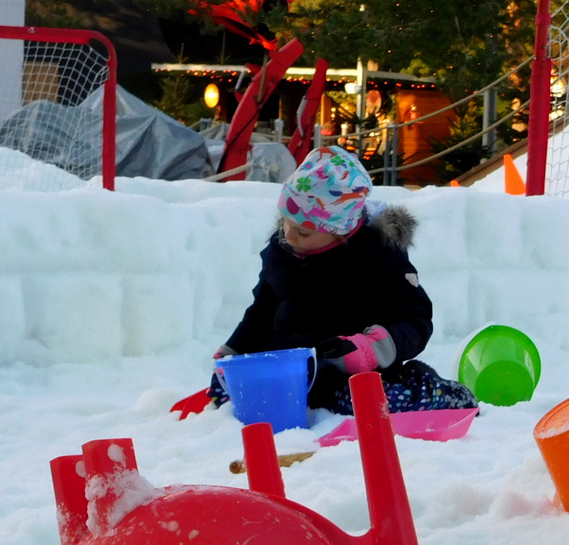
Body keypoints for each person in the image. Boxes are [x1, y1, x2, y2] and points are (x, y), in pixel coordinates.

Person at [173, 146, 477, 419]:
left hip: (349, 373)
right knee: (229, 395)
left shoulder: (378, 259)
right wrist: (235, 352)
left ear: (340, 230)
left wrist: (371, 348)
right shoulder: (282, 254)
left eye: (303, 232)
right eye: (286, 224)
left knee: (370, 403)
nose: (289, 236)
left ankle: (441, 394)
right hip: (294, 373)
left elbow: (415, 319)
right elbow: (262, 311)